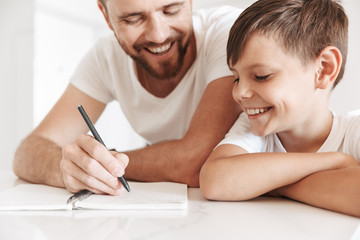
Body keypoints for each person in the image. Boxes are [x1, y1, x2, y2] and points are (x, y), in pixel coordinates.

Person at [13, 0, 241, 195]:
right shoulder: (105, 57)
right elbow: (28, 151)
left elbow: (196, 161)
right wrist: (68, 168)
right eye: (133, 19)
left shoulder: (230, 33)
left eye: (171, 10)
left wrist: (109, 163)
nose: (158, 35)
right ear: (106, 16)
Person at [200, 0, 360, 217]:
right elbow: (215, 181)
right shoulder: (253, 127)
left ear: (323, 69)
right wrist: (334, 161)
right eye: (236, 78)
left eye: (261, 76)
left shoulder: (354, 131)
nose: (239, 93)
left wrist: (270, 184)